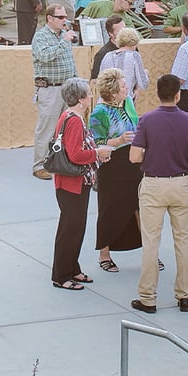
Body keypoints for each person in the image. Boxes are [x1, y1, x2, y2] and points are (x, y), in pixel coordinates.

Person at [129, 74, 188, 314]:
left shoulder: (147, 120)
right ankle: (185, 295)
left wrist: (153, 153)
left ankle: (148, 297)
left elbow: (134, 156)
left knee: (151, 242)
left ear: (157, 94)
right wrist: (183, 155)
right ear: (178, 95)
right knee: (183, 241)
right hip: (181, 184)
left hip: (154, 185)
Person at [50, 78, 111, 290]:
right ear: (80, 99)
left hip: (70, 182)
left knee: (75, 228)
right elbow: (75, 154)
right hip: (73, 183)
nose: (91, 97)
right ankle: (61, 275)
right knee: (70, 229)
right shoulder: (75, 121)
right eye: (88, 94)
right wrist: (97, 153)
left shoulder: (67, 116)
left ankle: (72, 268)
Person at [89, 69, 142, 272]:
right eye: (123, 86)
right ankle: (104, 254)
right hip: (111, 165)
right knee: (108, 209)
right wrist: (119, 140)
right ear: (112, 93)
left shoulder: (127, 102)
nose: (127, 88)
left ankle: (150, 253)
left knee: (139, 207)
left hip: (133, 162)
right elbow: (96, 143)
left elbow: (136, 125)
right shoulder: (99, 113)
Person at [30, 4, 78, 181]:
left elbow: (69, 61)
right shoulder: (41, 36)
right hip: (50, 88)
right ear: (50, 18)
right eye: (60, 17)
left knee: (67, 128)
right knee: (47, 128)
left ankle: (61, 162)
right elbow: (45, 57)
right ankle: (39, 165)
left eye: (65, 16)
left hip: (67, 87)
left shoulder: (63, 35)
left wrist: (76, 81)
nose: (64, 20)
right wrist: (64, 41)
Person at [99, 28, 149, 100]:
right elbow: (143, 84)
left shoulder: (107, 55)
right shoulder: (134, 56)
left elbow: (100, 81)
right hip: (124, 100)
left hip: (105, 100)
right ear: (135, 42)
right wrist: (146, 73)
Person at [90, 15, 125, 81]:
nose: (124, 33)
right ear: (111, 34)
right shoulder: (102, 53)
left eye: (125, 29)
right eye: (120, 31)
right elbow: (95, 79)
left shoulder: (131, 47)